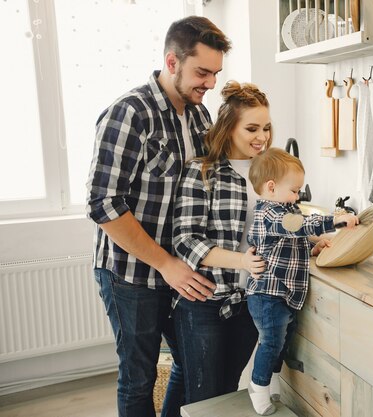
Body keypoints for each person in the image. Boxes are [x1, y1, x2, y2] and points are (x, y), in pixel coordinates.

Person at [86, 16, 231, 417]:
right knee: (139, 377)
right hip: (131, 273)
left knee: (189, 363)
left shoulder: (200, 116)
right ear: (172, 61)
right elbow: (103, 205)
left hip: (179, 270)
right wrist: (167, 265)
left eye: (216, 73)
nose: (211, 83)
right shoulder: (129, 113)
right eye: (202, 72)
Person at [172, 80, 271, 405]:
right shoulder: (202, 172)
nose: (262, 137)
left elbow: (279, 225)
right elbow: (186, 241)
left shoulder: (269, 173)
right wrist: (241, 261)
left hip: (249, 303)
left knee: (227, 392)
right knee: (204, 398)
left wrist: (313, 241)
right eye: (252, 128)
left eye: (267, 128)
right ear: (229, 129)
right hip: (205, 303)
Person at [245, 148, 359, 415]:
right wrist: (336, 220)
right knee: (271, 342)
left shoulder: (284, 208)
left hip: (283, 295)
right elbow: (298, 225)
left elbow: (288, 245)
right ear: (271, 187)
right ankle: (258, 386)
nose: (298, 196)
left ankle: (269, 381)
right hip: (268, 295)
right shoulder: (269, 214)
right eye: (294, 190)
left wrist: (312, 248)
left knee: (282, 340)